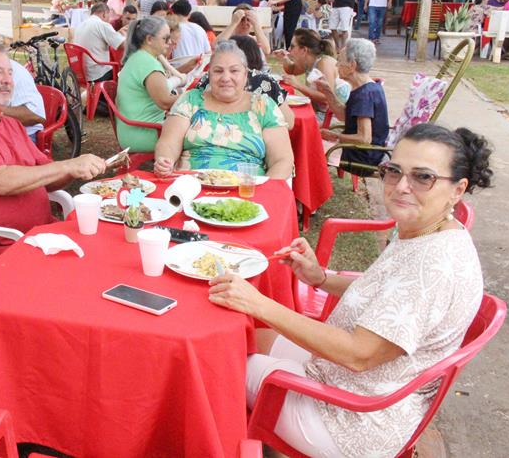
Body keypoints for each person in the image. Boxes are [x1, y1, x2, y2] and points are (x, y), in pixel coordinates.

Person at [207, 121, 492, 457]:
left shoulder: (434, 267)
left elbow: (359, 355)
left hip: (355, 419)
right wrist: (321, 278)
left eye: (423, 177)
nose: (402, 186)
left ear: (458, 189)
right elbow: (388, 291)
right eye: (394, 171)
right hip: (346, 379)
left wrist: (259, 304)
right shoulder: (431, 228)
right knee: (243, 339)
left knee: (213, 365)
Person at [0, 41, 107, 275]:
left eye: (10, 73)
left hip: (43, 235)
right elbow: (2, 182)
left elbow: (49, 178)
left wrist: (76, 170)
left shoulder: (11, 124)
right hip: (3, 248)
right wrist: (69, 164)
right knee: (91, 275)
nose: (7, 80)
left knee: (111, 253)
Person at [154, 40, 293, 177]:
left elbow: (282, 160)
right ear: (209, 75)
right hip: (192, 187)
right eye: (218, 71)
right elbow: (169, 143)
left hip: (247, 192)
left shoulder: (264, 106)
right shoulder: (190, 100)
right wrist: (166, 160)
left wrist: (266, 191)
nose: (226, 78)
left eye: (234, 71)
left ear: (245, 75)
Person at [318, 39, 389, 175]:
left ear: (352, 65)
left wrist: (335, 135)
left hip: (362, 158)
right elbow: (343, 116)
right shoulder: (366, 88)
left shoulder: (364, 95)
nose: (337, 65)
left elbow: (364, 139)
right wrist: (327, 91)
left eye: (340, 61)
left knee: (309, 149)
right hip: (363, 152)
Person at [195, 35, 295, 129]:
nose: (226, 78)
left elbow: (192, 104)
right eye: (219, 70)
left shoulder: (209, 77)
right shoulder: (267, 81)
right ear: (256, 54)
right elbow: (289, 122)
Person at [115, 16, 179, 152]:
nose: (170, 42)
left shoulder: (139, 58)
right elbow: (165, 102)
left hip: (133, 131)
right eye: (166, 38)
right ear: (149, 39)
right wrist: (193, 96)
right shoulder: (148, 64)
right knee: (198, 131)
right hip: (146, 134)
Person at [273, 28, 350, 123]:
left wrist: (298, 85)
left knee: (286, 121)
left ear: (304, 50)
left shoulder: (324, 62)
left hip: (335, 117)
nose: (289, 49)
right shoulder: (308, 61)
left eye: (292, 46)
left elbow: (327, 98)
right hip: (322, 112)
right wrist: (284, 58)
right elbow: (292, 70)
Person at [73, 3, 126, 83]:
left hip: (82, 73)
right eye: (109, 16)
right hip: (98, 73)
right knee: (125, 72)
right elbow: (122, 45)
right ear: (104, 14)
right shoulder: (102, 25)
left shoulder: (80, 26)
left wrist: (117, 34)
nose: (109, 19)